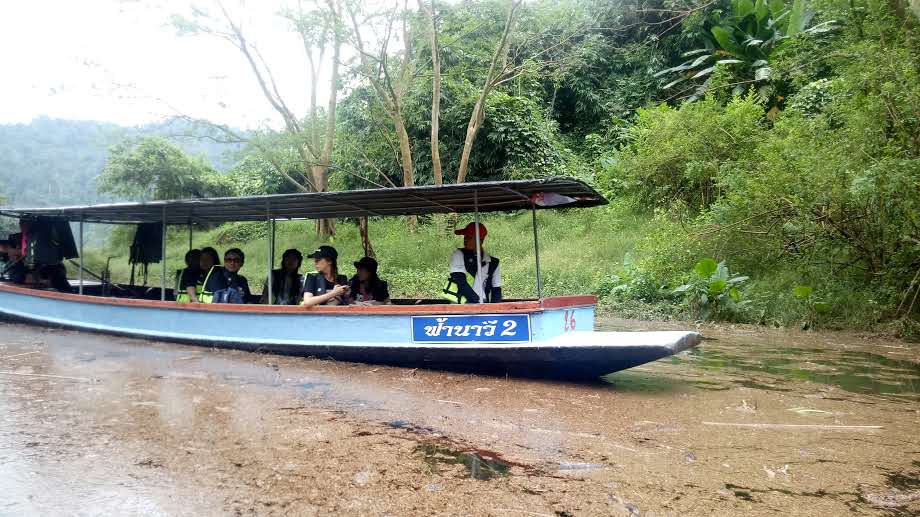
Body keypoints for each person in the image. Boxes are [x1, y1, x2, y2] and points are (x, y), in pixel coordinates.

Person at [442, 222, 503, 304]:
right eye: (465, 236)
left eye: (469, 237)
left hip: (484, 303)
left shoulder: (493, 263)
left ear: (481, 240)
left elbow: (496, 290)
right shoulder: (458, 254)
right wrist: (477, 303)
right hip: (461, 304)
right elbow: (461, 283)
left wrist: (494, 310)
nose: (465, 239)